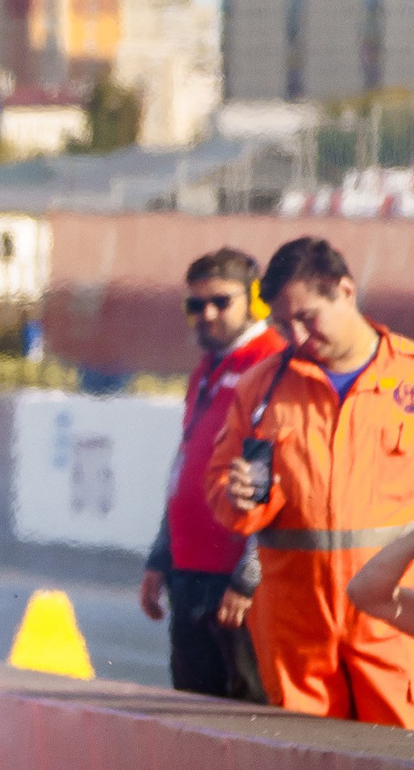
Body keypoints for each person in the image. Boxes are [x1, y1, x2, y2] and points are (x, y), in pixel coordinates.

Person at [206, 236, 414, 724]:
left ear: (345, 290)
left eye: (307, 317)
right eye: (283, 323)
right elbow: (219, 483)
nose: (296, 336)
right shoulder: (262, 386)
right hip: (295, 630)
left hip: (392, 618)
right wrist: (235, 496)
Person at [139, 249, 279, 699]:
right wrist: (162, 555)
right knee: (192, 717)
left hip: (234, 581)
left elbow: (278, 476)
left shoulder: (274, 365)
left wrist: (249, 575)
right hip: (190, 571)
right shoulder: (206, 369)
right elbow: (185, 466)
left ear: (255, 301)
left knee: (246, 719)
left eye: (221, 301)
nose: (207, 314)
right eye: (195, 306)